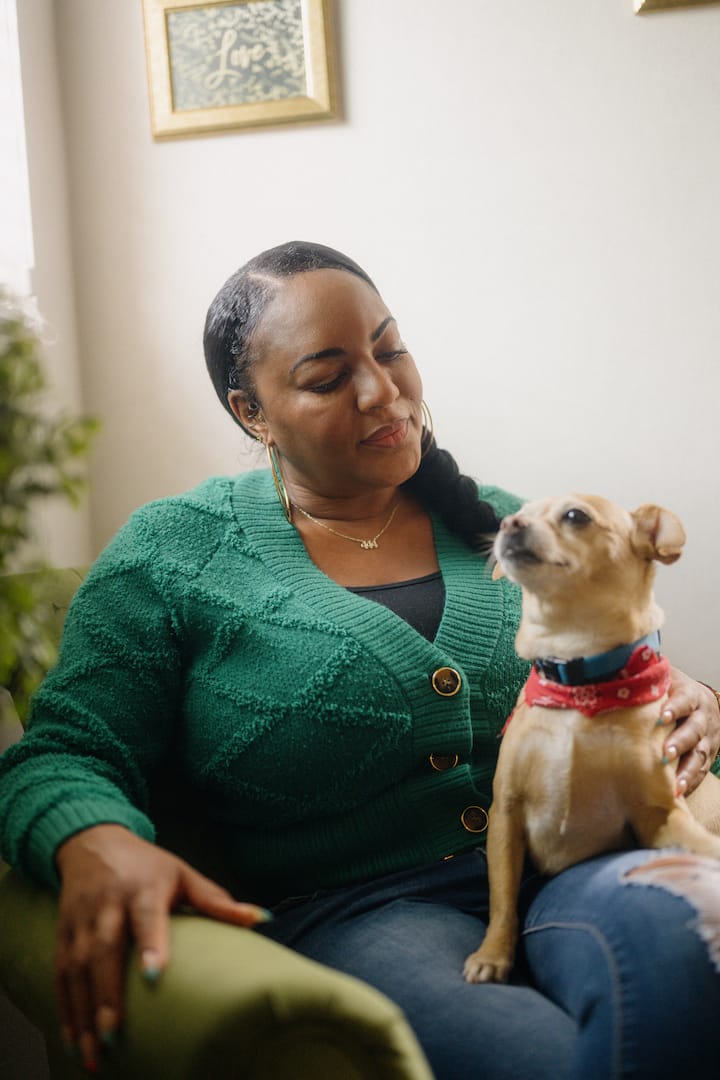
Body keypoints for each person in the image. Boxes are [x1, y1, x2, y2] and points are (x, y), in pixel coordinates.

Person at [1, 240, 719, 1080]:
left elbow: (626, 659)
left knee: (685, 946)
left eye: (390, 348)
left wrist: (695, 696)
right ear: (252, 411)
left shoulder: (508, 527)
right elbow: (63, 753)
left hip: (569, 869)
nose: (383, 390)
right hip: (366, 914)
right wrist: (92, 839)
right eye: (327, 376)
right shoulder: (173, 554)